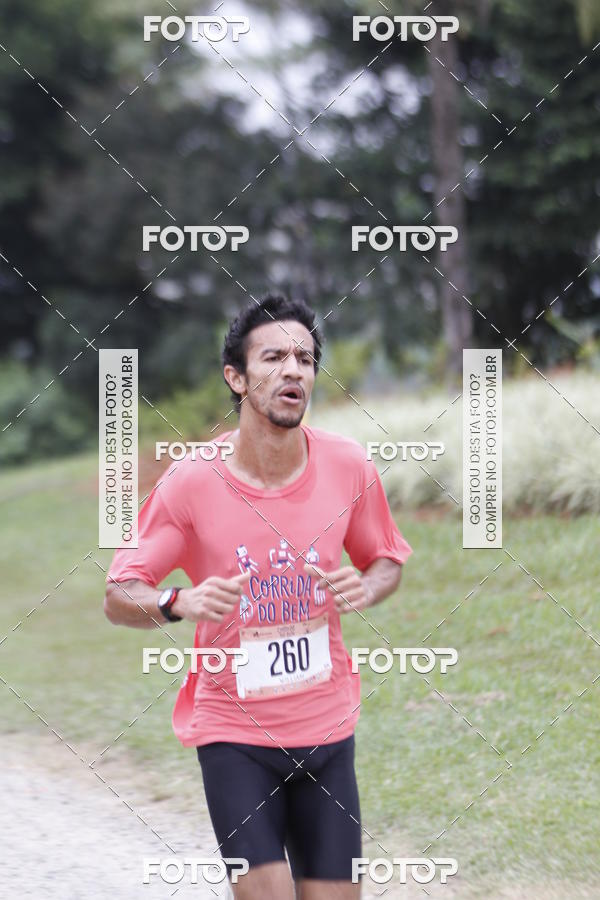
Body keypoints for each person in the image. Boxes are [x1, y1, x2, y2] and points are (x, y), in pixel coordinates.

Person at [104, 293, 412, 899]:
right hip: (233, 736)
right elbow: (119, 594)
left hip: (326, 731)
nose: (293, 369)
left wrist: (368, 587)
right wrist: (177, 603)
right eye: (273, 357)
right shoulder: (192, 482)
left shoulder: (348, 465)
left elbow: (387, 560)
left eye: (305, 358)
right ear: (237, 378)